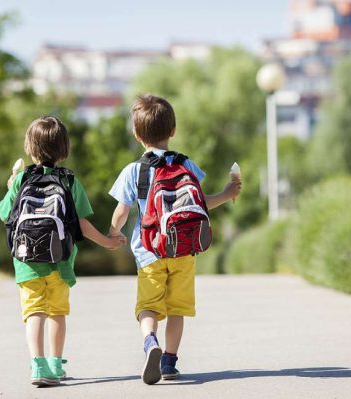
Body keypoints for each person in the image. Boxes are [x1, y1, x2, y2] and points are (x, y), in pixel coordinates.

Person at [109, 94, 242, 384]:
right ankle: (169, 362)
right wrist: (227, 194)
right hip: (183, 249)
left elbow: (121, 211)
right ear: (173, 131)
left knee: (148, 307)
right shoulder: (186, 165)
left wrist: (114, 231)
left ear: (136, 135)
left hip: (149, 252)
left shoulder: (134, 171)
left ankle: (149, 343)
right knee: (177, 309)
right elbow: (200, 203)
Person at [0, 116, 126, 387]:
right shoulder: (69, 180)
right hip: (61, 262)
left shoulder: (21, 179)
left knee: (34, 312)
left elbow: (4, 214)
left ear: (29, 147)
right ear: (63, 148)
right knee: (57, 312)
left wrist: (11, 187)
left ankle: (38, 366)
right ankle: (56, 366)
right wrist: (107, 241)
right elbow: (81, 223)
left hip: (27, 262)